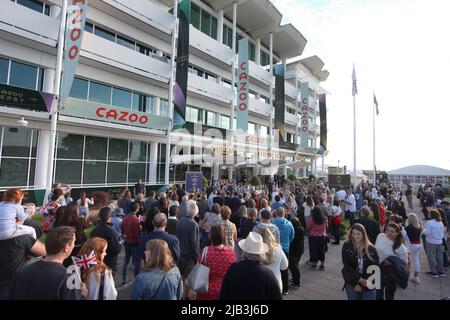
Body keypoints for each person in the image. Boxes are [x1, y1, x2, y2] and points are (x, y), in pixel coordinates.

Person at [9, 227, 86, 300]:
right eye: (73, 242)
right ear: (66, 248)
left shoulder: (22, 272)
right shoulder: (69, 278)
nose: (74, 245)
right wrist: (83, 295)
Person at [219, 232, 282, 300]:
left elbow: (223, 294)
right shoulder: (268, 274)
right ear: (261, 253)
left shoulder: (233, 269)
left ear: (244, 251)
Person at [196, 225, 237, 300]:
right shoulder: (230, 252)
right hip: (224, 289)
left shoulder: (206, 251)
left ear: (210, 236)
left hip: (206, 289)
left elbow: (199, 266)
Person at [341, 223, 379, 300]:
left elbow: (375, 268)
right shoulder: (346, 246)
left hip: (369, 282)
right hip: (352, 281)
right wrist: (359, 280)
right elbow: (347, 266)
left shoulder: (372, 249)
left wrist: (362, 284)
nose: (356, 236)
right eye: (353, 233)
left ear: (363, 234)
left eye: (358, 234)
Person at [374, 223, 408, 300]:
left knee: (389, 295)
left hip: (390, 274)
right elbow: (375, 248)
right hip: (377, 269)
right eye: (387, 230)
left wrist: (392, 263)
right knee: (377, 294)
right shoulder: (381, 236)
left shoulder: (401, 248)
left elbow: (403, 264)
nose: (389, 233)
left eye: (392, 231)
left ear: (397, 233)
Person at [176, 200, 200, 300]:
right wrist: (196, 257)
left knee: (180, 278)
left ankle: (180, 295)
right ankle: (186, 297)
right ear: (195, 213)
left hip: (179, 254)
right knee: (188, 279)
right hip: (189, 256)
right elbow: (194, 243)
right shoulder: (194, 224)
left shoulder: (180, 221)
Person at [90, 207, 122, 276]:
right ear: (110, 217)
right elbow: (116, 249)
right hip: (109, 263)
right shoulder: (111, 231)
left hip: (97, 261)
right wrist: (120, 244)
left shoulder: (94, 230)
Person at [54, 202, 88, 267]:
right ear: (76, 211)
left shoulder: (61, 222)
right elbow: (86, 224)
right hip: (78, 248)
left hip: (68, 250)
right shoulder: (80, 221)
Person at [272, 207, 294, 295]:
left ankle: (276, 288)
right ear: (284, 214)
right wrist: (287, 242)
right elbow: (292, 236)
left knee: (276, 269)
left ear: (276, 214)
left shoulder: (273, 224)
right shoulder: (289, 224)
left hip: (276, 248)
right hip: (286, 248)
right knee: (285, 269)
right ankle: (285, 289)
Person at [259, 228, 288, 295]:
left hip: (261, 286)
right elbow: (285, 266)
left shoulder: (257, 251)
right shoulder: (278, 249)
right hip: (276, 283)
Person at [121, 202, 142, 285]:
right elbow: (137, 235)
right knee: (137, 262)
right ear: (137, 209)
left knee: (126, 260)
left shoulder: (125, 218)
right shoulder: (136, 220)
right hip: (134, 243)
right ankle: (136, 278)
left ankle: (124, 279)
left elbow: (122, 230)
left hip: (127, 242)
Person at [423, 209, 446, 278]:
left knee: (431, 256)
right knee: (439, 256)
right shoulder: (440, 222)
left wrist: (423, 229)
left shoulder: (429, 222)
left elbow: (427, 232)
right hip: (439, 241)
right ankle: (441, 271)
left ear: (431, 215)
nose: (428, 214)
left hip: (431, 241)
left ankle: (433, 272)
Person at [405, 213, 423, 284]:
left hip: (411, 245)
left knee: (406, 259)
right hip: (418, 244)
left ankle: (405, 274)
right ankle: (416, 276)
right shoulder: (419, 226)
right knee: (416, 260)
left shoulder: (408, 228)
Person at [288, 217, 304, 289]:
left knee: (294, 267)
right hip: (299, 251)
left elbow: (291, 241)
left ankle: (296, 283)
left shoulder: (294, 230)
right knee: (295, 265)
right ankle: (294, 279)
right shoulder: (301, 229)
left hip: (294, 251)